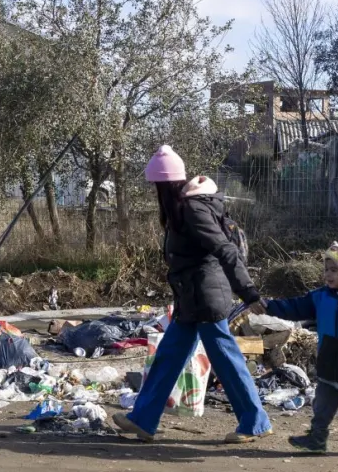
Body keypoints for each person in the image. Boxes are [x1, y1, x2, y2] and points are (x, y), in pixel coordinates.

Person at [113, 145, 273, 444]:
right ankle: (143, 420)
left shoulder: (193, 210)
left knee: (226, 360)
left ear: (167, 186)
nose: (156, 193)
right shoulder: (185, 208)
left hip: (207, 298)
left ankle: (256, 422)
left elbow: (225, 250)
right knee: (168, 357)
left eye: (157, 187)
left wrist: (249, 293)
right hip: (191, 297)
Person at [250, 239, 338, 458]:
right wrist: (269, 306)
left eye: (334, 270)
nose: (328, 274)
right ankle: (317, 438)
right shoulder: (321, 297)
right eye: (326, 269)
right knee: (323, 405)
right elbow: (295, 307)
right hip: (329, 363)